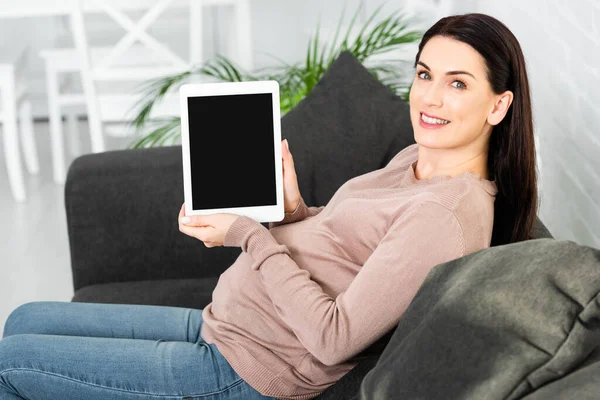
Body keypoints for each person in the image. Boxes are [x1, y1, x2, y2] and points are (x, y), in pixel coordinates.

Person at [0, 12, 538, 400]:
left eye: (457, 83)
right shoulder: (416, 157)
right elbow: (350, 253)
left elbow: (334, 339)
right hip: (224, 323)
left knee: (8, 366)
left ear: (499, 105)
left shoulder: (444, 217)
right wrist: (296, 210)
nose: (430, 98)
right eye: (424, 74)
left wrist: (250, 234)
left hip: (241, 369)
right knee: (24, 318)